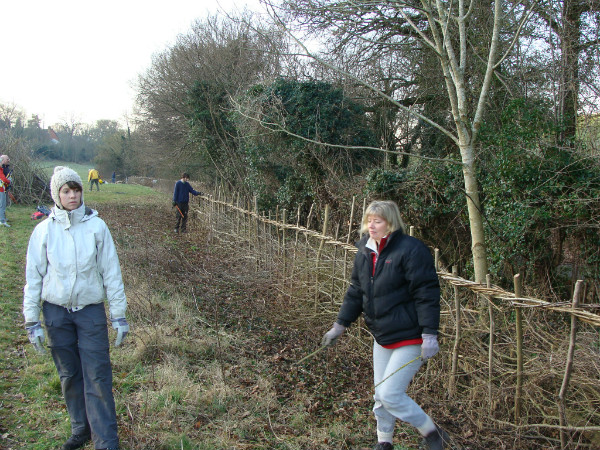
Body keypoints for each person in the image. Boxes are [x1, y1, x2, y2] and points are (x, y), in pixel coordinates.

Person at [321, 200, 450, 450]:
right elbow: (356, 291)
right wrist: (340, 325)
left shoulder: (411, 250)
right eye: (369, 220)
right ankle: (384, 442)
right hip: (382, 336)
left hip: (411, 336)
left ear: (391, 223)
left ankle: (433, 433)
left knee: (390, 393)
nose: (371, 225)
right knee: (380, 396)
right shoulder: (365, 251)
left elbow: (427, 292)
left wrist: (430, 334)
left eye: (377, 221)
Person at [23, 166, 129, 450]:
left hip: (90, 311)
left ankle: (105, 441)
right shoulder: (43, 231)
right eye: (66, 191)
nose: (72, 196)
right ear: (56, 195)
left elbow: (111, 272)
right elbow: (33, 277)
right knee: (69, 375)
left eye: (76, 190)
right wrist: (32, 320)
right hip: (56, 313)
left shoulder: (97, 227)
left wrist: (118, 314)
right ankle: (80, 428)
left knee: (97, 374)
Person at [0, 154, 11, 227]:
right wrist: (9, 181)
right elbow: (3, 179)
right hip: (1, 189)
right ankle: (2, 221)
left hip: (2, 188)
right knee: (2, 205)